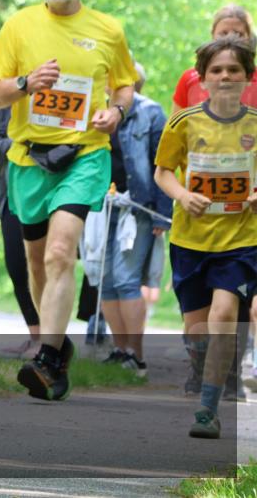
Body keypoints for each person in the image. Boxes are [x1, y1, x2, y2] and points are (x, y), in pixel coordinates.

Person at [0, 0, 138, 401]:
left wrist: (116, 111)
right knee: (37, 264)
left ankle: (48, 357)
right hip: (29, 159)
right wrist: (29, 82)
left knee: (59, 253)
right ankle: (58, 342)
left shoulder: (107, 30)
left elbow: (126, 84)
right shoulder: (20, 25)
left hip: (85, 155)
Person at [153, 36, 257, 438]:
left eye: (234, 69)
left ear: (248, 76)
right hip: (190, 240)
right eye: (217, 70)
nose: (226, 76)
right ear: (202, 77)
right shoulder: (183, 122)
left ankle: (208, 410)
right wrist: (182, 194)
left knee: (225, 313)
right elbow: (163, 171)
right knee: (198, 335)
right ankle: (204, 370)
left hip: (241, 239)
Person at [87, 63, 172, 377]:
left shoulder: (151, 113)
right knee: (105, 280)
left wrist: (163, 213)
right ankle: (119, 349)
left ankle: (136, 355)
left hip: (138, 208)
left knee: (126, 279)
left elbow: (163, 163)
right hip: (100, 206)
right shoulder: (95, 110)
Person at [0, 107, 41, 358]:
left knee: (46, 266)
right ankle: (36, 336)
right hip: (12, 194)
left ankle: (50, 341)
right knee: (17, 267)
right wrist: (22, 143)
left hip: (51, 195)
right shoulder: (8, 97)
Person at [171, 5, 257, 112]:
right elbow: (176, 124)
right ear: (213, 35)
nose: (230, 37)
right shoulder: (190, 79)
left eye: (238, 34)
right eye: (223, 33)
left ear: (249, 37)